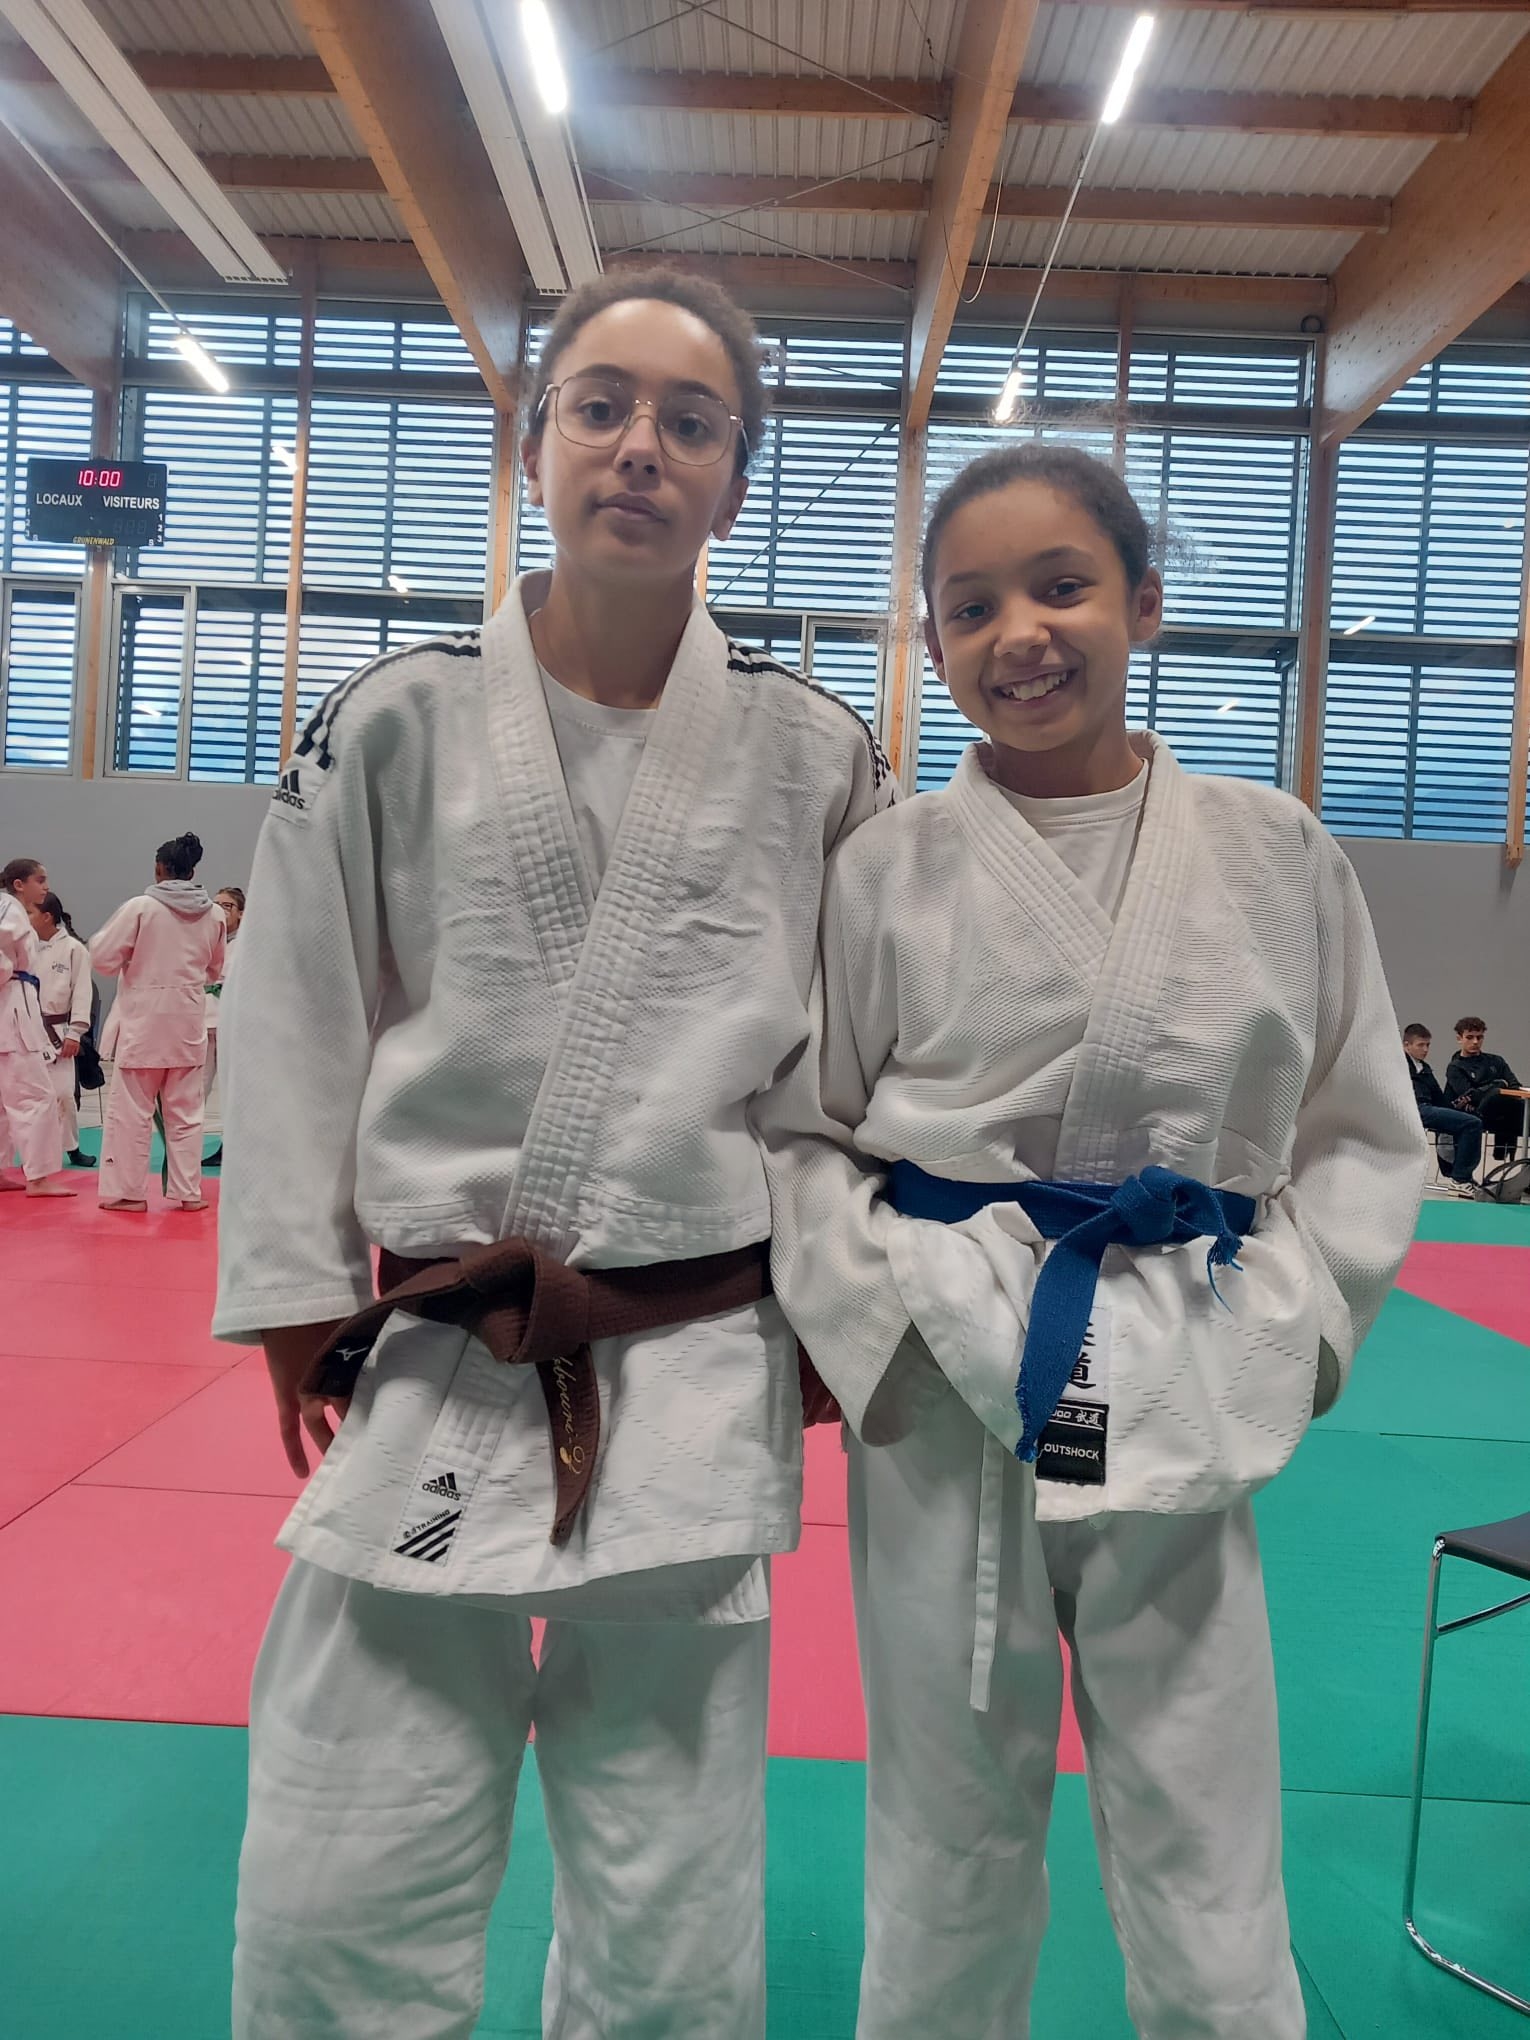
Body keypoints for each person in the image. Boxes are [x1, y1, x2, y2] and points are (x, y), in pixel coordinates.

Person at [212, 266, 893, 2040]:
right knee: (346, 1848)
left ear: (735, 473)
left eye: (690, 420)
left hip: (697, 1352)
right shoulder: (391, 718)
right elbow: (293, 1019)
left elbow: (852, 1075)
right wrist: (291, 1296)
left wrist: (840, 1310)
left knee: (671, 1887)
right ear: (533, 447)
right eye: (599, 406)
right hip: (433, 1342)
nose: (640, 447)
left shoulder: (820, 756)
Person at [757, 443, 1425, 2039]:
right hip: (946, 1362)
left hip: (1191, 1348)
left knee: (1206, 1821)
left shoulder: (1274, 848)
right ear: (933, 641)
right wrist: (879, 1331)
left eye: (1060, 587)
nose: (1019, 635)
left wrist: (1303, 1325)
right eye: (969, 606)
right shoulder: (884, 865)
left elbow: (1357, 1126)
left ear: (1143, 601)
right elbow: (802, 1130)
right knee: (942, 1825)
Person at [90, 832, 226, 1214]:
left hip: (145, 1022)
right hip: (188, 1021)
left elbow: (102, 958)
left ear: (159, 869)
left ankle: (129, 1194)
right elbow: (215, 968)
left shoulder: (141, 908)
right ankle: (189, 1193)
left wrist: (134, 960)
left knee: (132, 1113)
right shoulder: (215, 914)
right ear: (193, 871)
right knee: (186, 1114)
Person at [0, 856, 73, 1196]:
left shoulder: (8, 908)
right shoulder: (11, 909)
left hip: (12, 1003)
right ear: (19, 884)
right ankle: (38, 1178)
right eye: (40, 880)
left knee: (4, 1098)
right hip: (13, 1008)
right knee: (36, 1095)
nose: (45, 887)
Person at [30, 890, 96, 1169]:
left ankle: (72, 1147)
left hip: (58, 1030)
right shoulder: (24, 946)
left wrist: (75, 1032)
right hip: (25, 1029)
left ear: (47, 917)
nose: (24, 918)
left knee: (64, 1094)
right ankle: (32, 1152)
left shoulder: (73, 949)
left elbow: (82, 993)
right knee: (29, 1097)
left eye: (30, 913)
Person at [1403, 1023, 1482, 1194]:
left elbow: (1440, 1099)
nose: (1425, 1050)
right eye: (1421, 1045)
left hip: (1426, 1109)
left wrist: (1456, 1110)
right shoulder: (1399, 1066)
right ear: (1406, 1045)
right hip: (1413, 1110)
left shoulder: (1424, 1068)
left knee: (1471, 1121)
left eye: (1428, 1045)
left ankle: (1461, 1176)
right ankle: (1460, 1179)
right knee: (1471, 1124)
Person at [202, 884, 244, 1170]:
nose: (220, 909)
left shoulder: (249, 945)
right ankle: (184, 1146)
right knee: (195, 1090)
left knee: (232, 1092)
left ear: (241, 913)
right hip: (202, 1024)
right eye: (215, 904)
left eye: (227, 905)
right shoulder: (204, 941)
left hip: (233, 1026)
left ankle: (230, 1147)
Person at [1446, 1017, 1524, 1164]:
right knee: (1497, 1092)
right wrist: (1497, 1085)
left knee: (1519, 1103)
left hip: (1507, 1113)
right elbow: (1470, 1096)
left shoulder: (1496, 1061)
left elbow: (1514, 1086)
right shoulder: (1455, 1068)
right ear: (1459, 1038)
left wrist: (1496, 1088)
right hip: (1476, 1116)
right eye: (1470, 1037)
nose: (1475, 1042)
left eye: (1479, 1037)